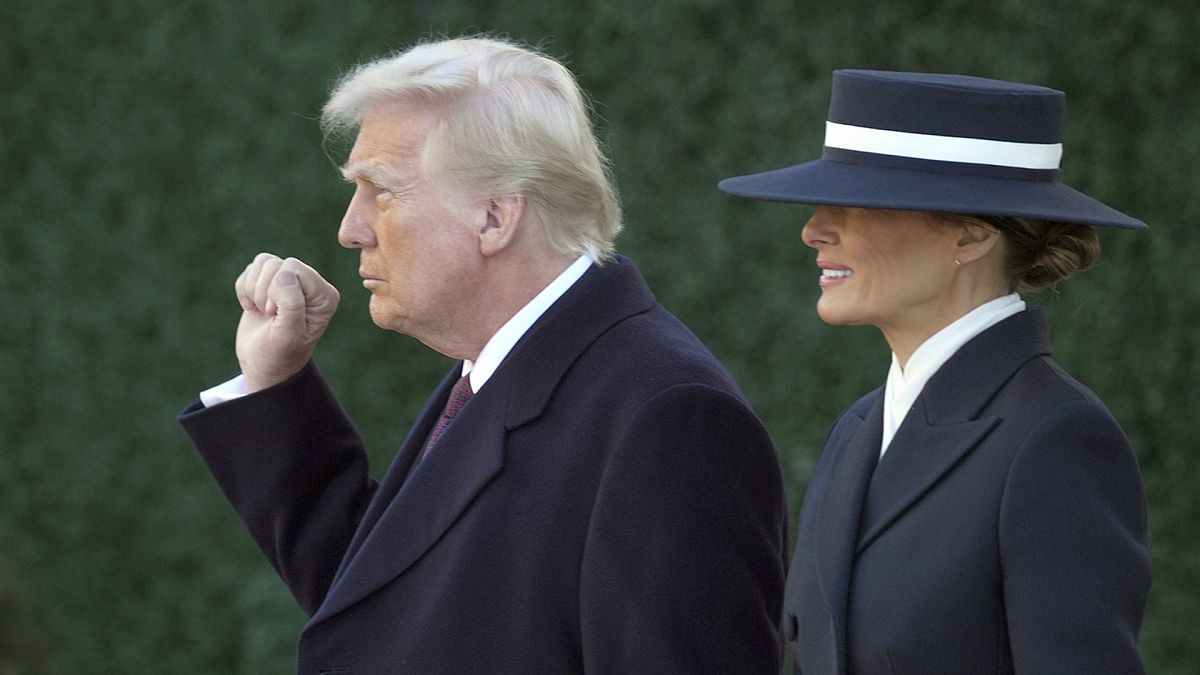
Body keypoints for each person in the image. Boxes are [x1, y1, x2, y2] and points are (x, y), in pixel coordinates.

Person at [179, 37, 787, 673]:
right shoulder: (503, 367)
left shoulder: (668, 417)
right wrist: (276, 384)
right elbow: (384, 603)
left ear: (495, 218)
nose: (350, 228)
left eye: (379, 190)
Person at [719, 70, 1152, 673]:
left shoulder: (1055, 439)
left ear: (972, 234)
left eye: (858, 200)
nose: (813, 229)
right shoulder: (857, 430)